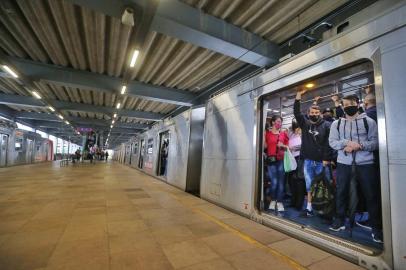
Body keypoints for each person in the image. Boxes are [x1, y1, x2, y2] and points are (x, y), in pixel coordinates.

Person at [328, 94, 383, 243]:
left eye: (351, 103)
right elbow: (332, 142)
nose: (347, 107)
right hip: (343, 163)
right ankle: (339, 221)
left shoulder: (369, 122)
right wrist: (346, 143)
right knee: (341, 192)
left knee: (371, 195)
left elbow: (376, 142)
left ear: (358, 104)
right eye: (345, 104)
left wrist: (361, 145)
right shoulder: (336, 124)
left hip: (365, 163)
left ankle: (376, 228)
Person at [294, 90, 334, 217]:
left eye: (316, 113)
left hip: (322, 162)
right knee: (309, 185)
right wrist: (298, 97)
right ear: (308, 114)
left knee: (325, 185)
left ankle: (327, 210)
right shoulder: (305, 124)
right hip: (308, 161)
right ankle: (309, 208)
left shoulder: (327, 125)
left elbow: (329, 143)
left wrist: (327, 159)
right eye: (312, 113)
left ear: (320, 114)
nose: (314, 114)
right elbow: (296, 112)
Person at [264, 115, 289, 212]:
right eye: (278, 121)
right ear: (273, 122)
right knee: (274, 182)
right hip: (271, 160)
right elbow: (264, 146)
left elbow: (288, 147)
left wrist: (283, 146)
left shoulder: (283, 134)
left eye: (281, 122)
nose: (280, 123)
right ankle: (273, 199)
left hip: (281, 160)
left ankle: (279, 201)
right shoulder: (267, 134)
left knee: (281, 182)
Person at [287, 119, 305, 210]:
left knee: (299, 180)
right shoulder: (291, 133)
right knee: (292, 181)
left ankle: (299, 204)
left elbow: (305, 145)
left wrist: (293, 147)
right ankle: (293, 201)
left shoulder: (303, 133)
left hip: (300, 158)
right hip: (291, 158)